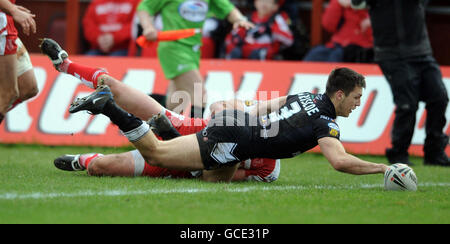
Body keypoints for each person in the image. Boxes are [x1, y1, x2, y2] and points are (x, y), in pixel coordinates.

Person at [66, 61, 389, 181]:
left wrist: (233, 112)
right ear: (340, 95)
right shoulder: (325, 123)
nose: (359, 104)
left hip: (237, 134)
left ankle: (171, 130)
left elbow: (262, 107)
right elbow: (339, 161)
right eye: (357, 97)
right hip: (236, 137)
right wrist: (385, 168)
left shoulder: (304, 96)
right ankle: (109, 108)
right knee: (156, 154)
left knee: (212, 180)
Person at [39, 38, 280, 183]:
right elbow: (220, 107)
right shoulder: (258, 117)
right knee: (116, 87)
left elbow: (211, 178)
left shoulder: (268, 169)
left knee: (99, 168)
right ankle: (66, 64)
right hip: (191, 130)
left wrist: (180, 145)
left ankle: (86, 159)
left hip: (184, 164)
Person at [351, 0, 449, 166]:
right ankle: (399, 153)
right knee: (407, 104)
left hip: (421, 52)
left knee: (439, 98)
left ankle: (434, 153)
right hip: (391, 54)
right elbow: (356, 3)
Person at [136, 0, 254, 118]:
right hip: (173, 47)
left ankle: (137, 108)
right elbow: (144, 7)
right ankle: (195, 133)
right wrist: (148, 27)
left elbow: (228, 9)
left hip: (193, 50)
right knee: (199, 94)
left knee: (177, 101)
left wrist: (239, 20)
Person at [0, 0, 37, 125]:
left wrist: (9, 6)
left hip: (5, 17)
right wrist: (12, 9)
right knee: (8, 94)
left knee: (28, 86)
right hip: (2, 23)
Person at [303, 0, 373, 63]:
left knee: (336, 58)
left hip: (362, 48)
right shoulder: (343, 4)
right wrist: (338, 2)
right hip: (338, 44)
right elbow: (328, 25)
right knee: (315, 54)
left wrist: (372, 21)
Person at [225, 0, 294, 60]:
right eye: (261, 0)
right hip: (245, 52)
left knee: (257, 54)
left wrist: (272, 29)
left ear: (275, 6)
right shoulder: (248, 18)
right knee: (234, 52)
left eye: (268, 2)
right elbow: (231, 38)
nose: (264, 4)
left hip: (264, 54)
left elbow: (289, 40)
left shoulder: (277, 19)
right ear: (255, 2)